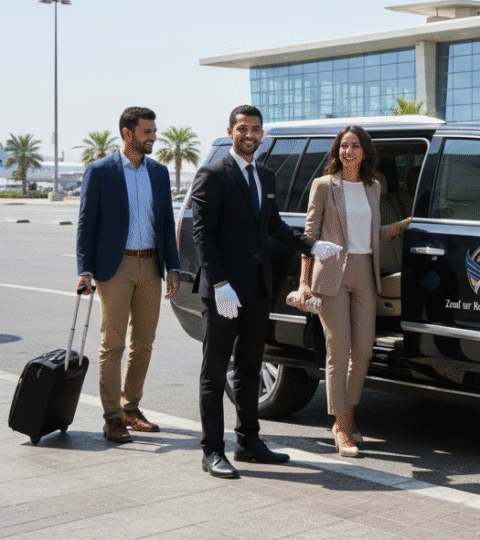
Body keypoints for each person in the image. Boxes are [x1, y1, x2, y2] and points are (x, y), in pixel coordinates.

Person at [191, 105, 342, 479]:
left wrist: (311, 245)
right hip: (224, 291)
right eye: (243, 128)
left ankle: (248, 442)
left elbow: (273, 227)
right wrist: (220, 284)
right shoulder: (213, 174)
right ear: (231, 131)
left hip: (258, 287)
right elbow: (202, 233)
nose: (250, 135)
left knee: (249, 367)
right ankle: (212, 450)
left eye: (256, 129)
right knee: (215, 372)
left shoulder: (266, 175)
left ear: (262, 134)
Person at [296, 125, 410, 456]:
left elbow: (371, 233)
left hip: (365, 272)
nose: (349, 151)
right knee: (339, 349)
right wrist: (304, 282)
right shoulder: (323, 186)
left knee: (363, 351)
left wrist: (401, 226)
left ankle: (348, 414)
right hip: (331, 273)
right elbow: (309, 237)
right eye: (344, 146)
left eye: (355, 146)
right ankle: (342, 426)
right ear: (337, 151)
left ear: (365, 152)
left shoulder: (373, 187)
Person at [76, 107, 180, 444]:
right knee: (113, 343)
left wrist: (173, 266)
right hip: (115, 267)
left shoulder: (159, 172)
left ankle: (131, 408)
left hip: (151, 265)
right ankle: (112, 418)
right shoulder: (100, 171)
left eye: (154, 131)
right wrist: (84, 270)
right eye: (147, 132)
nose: (153, 137)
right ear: (127, 133)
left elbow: (166, 223)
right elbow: (86, 223)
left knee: (144, 343)